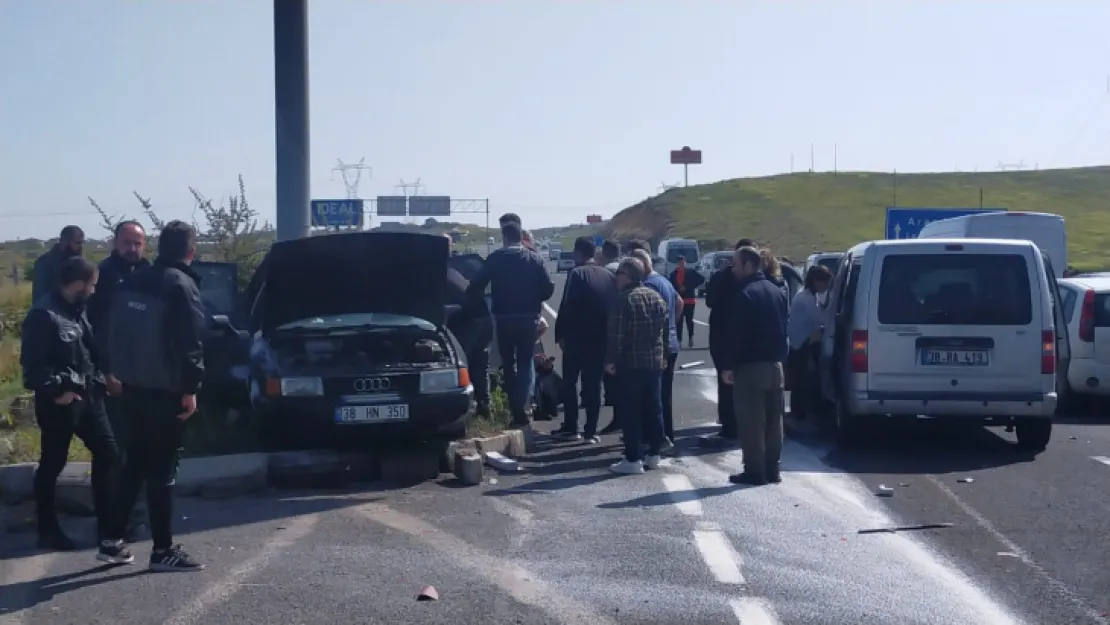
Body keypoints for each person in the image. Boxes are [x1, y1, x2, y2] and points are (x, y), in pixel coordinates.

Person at [106, 220, 206, 571]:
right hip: (165, 392)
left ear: (158, 247)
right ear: (190, 252)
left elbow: (114, 332)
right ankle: (162, 550)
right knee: (163, 470)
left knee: (134, 464)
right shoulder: (181, 285)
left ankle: (111, 540)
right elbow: (190, 345)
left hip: (130, 388)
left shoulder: (132, 281)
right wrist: (191, 389)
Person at [20, 256, 132, 563]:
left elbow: (89, 351)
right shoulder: (45, 314)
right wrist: (59, 390)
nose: (95, 291)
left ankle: (108, 532)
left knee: (109, 453)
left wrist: (105, 375)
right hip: (61, 402)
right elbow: (32, 369)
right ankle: (48, 528)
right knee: (53, 462)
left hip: (89, 396)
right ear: (80, 284)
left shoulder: (77, 311)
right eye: (92, 284)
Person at [86, 220, 151, 539]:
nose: (133, 248)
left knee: (139, 448)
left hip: (145, 377)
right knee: (113, 452)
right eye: (127, 242)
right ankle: (107, 521)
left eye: (138, 243)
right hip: (112, 376)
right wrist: (106, 371)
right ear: (115, 243)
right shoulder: (103, 277)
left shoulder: (151, 275)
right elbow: (95, 329)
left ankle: (133, 517)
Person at [467, 221, 555, 425]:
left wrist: (478, 302)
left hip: (504, 318)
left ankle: (515, 409)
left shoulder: (496, 258)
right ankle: (523, 407)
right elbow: (548, 288)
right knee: (525, 362)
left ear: (505, 238)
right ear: (520, 237)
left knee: (509, 363)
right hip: (529, 318)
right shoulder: (534, 259)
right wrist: (534, 298)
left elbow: (476, 284)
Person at [718, 246, 789, 486]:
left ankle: (754, 471)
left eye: (736, 264)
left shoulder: (744, 293)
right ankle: (773, 468)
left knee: (751, 422)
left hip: (751, 367)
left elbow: (737, 335)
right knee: (774, 422)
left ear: (747, 265)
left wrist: (728, 366)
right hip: (776, 365)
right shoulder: (777, 290)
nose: (733, 269)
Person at [606, 258, 669, 475]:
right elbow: (665, 332)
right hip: (654, 362)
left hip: (630, 363)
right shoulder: (657, 297)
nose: (616, 279)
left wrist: (611, 361)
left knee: (630, 411)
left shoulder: (624, 300)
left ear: (627, 276)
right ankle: (654, 454)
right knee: (654, 409)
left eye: (619, 274)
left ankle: (633, 458)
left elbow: (617, 336)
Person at [553, 237, 617, 443]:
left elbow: (567, 306)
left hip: (577, 338)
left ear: (578, 253)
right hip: (601, 339)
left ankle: (571, 427)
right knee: (594, 385)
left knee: (570, 382)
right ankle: (591, 431)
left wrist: (561, 334)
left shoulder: (577, 273)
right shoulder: (608, 275)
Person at [701, 238, 757, 448]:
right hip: (736, 337)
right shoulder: (755, 279)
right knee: (740, 383)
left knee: (727, 383)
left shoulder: (722, 277)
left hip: (723, 337)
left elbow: (710, 300)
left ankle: (730, 425)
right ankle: (738, 424)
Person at [631, 249, 681, 447]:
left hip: (658, 347)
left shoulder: (648, 285)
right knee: (664, 395)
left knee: (653, 397)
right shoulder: (664, 281)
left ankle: (656, 438)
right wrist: (672, 327)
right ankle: (665, 435)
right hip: (671, 342)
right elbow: (678, 304)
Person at [443, 235, 493, 416]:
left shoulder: (438, 269)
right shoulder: (464, 263)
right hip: (482, 317)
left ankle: (466, 409)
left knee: (460, 363)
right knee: (480, 363)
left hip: (466, 321)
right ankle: (485, 406)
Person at [787, 265, 833, 433]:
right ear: (816, 281)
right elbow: (820, 319)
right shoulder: (805, 299)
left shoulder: (810, 296)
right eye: (825, 282)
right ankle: (797, 418)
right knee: (800, 383)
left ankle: (801, 417)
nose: (826, 287)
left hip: (804, 344)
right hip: (800, 346)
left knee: (804, 383)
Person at [32, 225, 85, 304]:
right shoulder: (45, 262)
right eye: (77, 243)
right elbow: (41, 295)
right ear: (64, 241)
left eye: (82, 242)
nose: (81, 247)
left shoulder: (78, 262)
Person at [669, 255, 704, 348]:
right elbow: (670, 286)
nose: (681, 264)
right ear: (677, 263)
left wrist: (688, 286)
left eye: (683, 262)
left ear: (685, 262)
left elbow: (701, 279)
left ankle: (690, 337)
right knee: (679, 321)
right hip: (679, 301)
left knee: (689, 320)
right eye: (679, 262)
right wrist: (677, 289)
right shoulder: (673, 274)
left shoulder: (691, 272)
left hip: (689, 300)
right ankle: (679, 340)